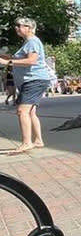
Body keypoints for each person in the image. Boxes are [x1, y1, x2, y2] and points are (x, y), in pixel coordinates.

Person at [0, 18, 52, 154]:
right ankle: (38, 140)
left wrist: (8, 62)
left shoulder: (32, 41)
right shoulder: (29, 42)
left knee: (22, 111)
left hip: (34, 80)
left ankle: (26, 143)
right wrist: (5, 57)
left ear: (28, 27)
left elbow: (31, 61)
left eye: (19, 25)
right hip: (34, 80)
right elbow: (19, 58)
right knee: (31, 112)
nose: (16, 28)